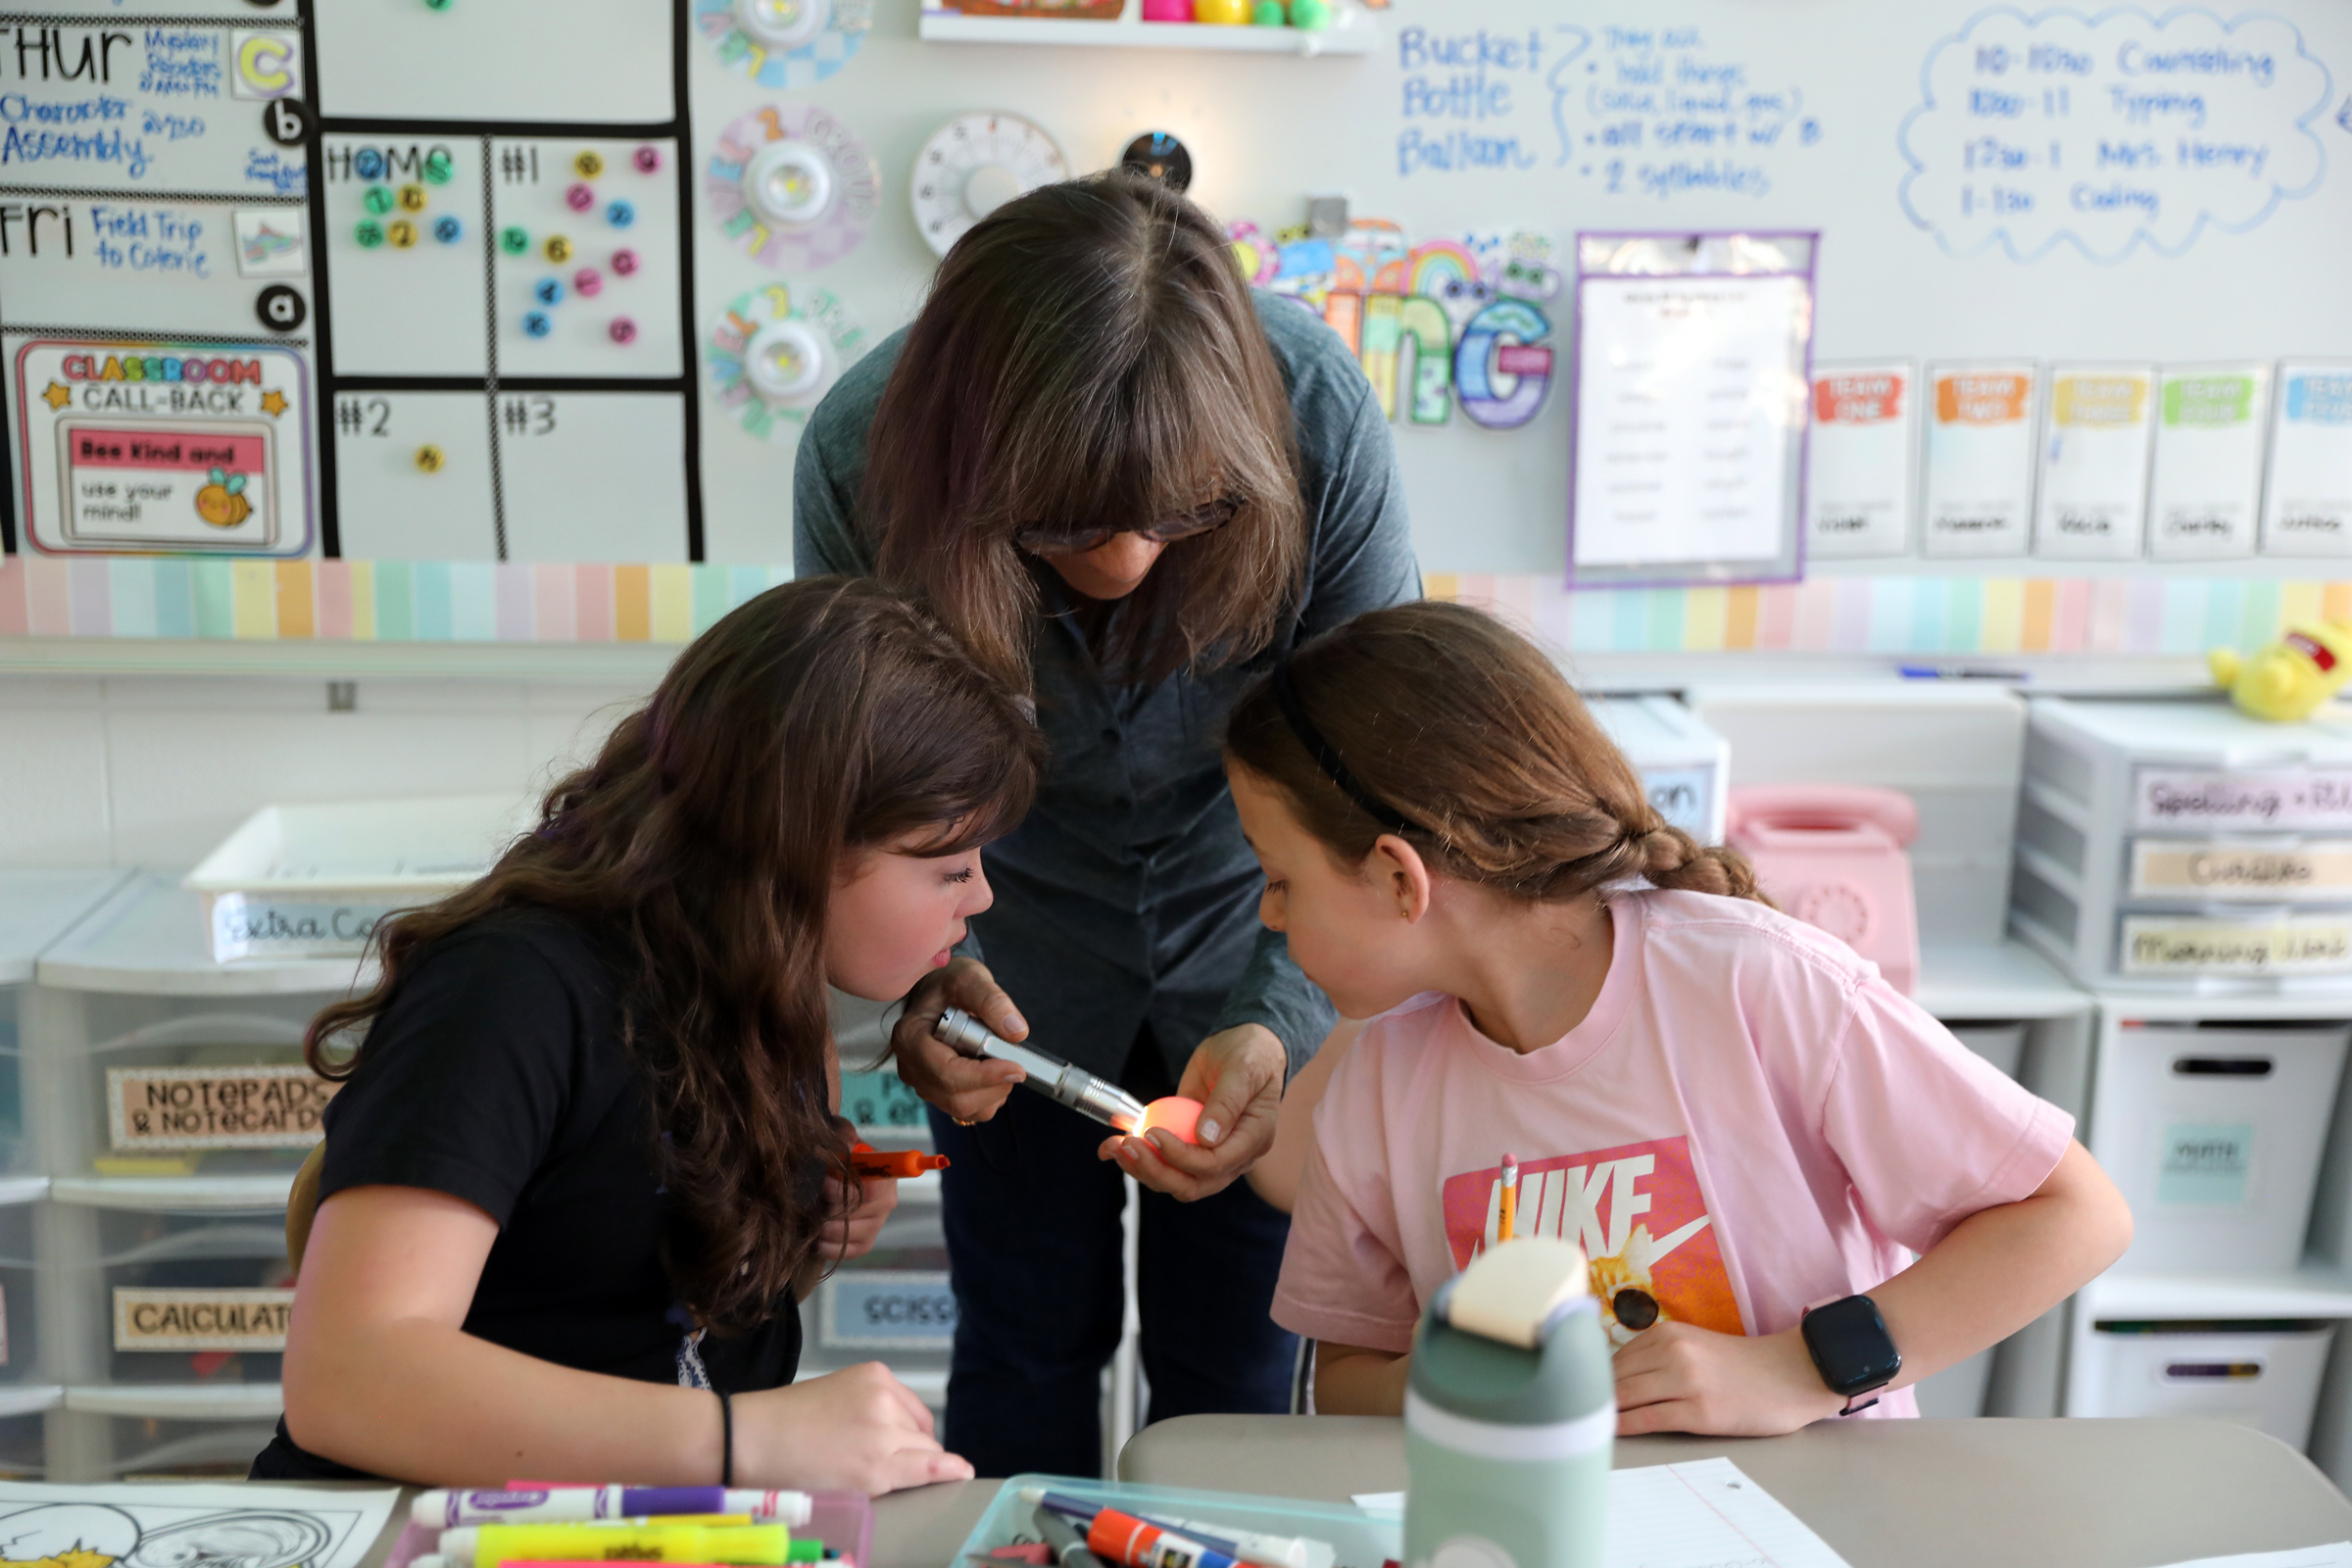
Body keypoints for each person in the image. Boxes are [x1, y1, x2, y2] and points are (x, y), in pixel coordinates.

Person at [795, 171, 1418, 1473]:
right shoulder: (866, 450)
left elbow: (1375, 773)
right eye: (1065, 526)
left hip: (1266, 929)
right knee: (1021, 1343)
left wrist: (1278, 1015)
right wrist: (934, 986)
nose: (1127, 563)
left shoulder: (1314, 410)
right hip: (1008, 956)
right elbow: (867, 792)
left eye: (1182, 517)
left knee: (1239, 1368)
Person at [1225, 602, 2134, 1431]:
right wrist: (1460, 1382)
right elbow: (1346, 1376)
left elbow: (2072, 1215)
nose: (1268, 914)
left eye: (1278, 879)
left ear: (1399, 877)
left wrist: (1798, 1371)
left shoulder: (1761, 982)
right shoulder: (1377, 1086)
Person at [254, 577, 1042, 1490]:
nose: (981, 898)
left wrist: (794, 1233)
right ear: (801, 842)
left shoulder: (769, 980)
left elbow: (655, 1310)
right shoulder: (508, 989)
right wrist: (747, 1441)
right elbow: (350, 1378)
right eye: (950, 868)